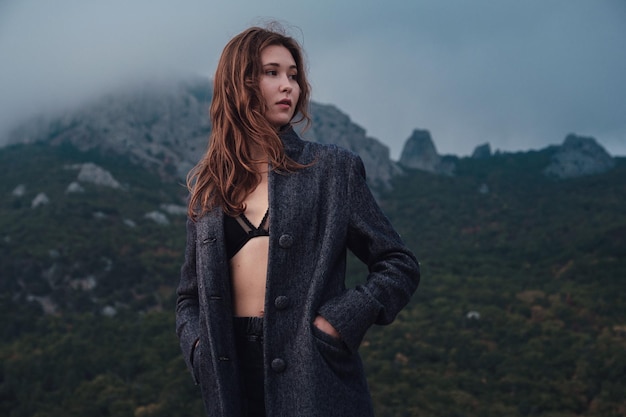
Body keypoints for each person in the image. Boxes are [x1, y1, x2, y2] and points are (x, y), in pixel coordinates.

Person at [175, 23, 420, 417]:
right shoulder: (209, 189)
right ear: (240, 83)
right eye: (272, 73)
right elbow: (189, 297)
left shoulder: (332, 169)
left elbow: (398, 264)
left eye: (293, 75)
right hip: (230, 374)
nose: (289, 86)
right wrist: (198, 349)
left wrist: (337, 324)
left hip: (314, 371)